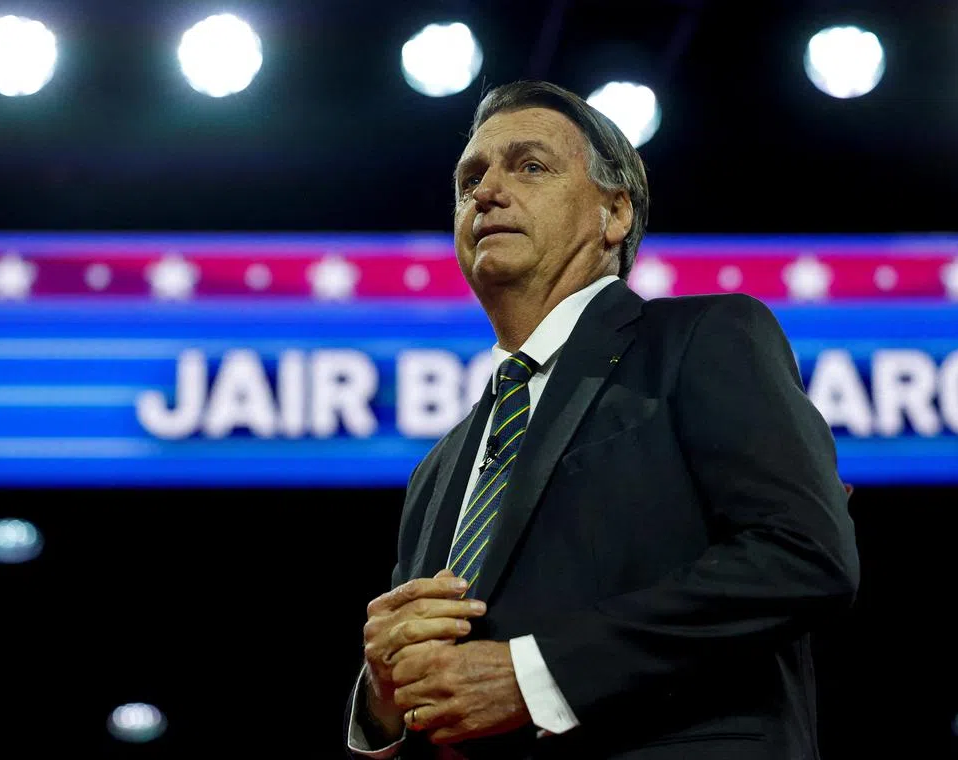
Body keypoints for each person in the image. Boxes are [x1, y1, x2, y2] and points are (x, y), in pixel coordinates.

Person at [344, 80, 860, 760]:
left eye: (530, 166)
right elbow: (447, 695)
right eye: (471, 178)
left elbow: (805, 556)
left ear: (614, 212)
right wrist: (385, 697)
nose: (487, 192)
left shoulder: (703, 337)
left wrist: (535, 677)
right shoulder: (439, 469)